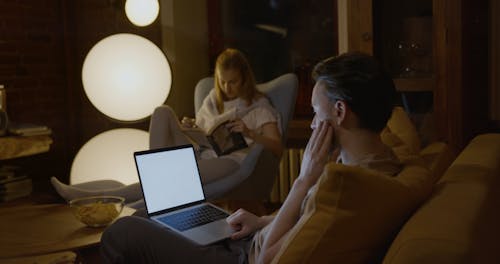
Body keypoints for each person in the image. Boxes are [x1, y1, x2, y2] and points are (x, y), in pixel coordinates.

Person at [99, 52, 403, 263]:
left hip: (242, 257)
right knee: (145, 216)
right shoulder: (370, 162)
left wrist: (303, 178)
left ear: (339, 111)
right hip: (248, 238)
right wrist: (261, 220)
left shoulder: (346, 187)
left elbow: (269, 259)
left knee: (122, 232)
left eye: (314, 111)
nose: (312, 123)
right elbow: (307, 218)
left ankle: (106, 199)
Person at [50, 48, 283, 206]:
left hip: (230, 160)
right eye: (222, 81)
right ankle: (155, 184)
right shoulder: (213, 99)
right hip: (201, 151)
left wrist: (249, 132)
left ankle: (89, 197)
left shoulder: (258, 107)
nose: (227, 87)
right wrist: (190, 127)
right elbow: (203, 132)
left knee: (164, 177)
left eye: (233, 82)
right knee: (162, 112)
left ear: (245, 78)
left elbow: (276, 147)